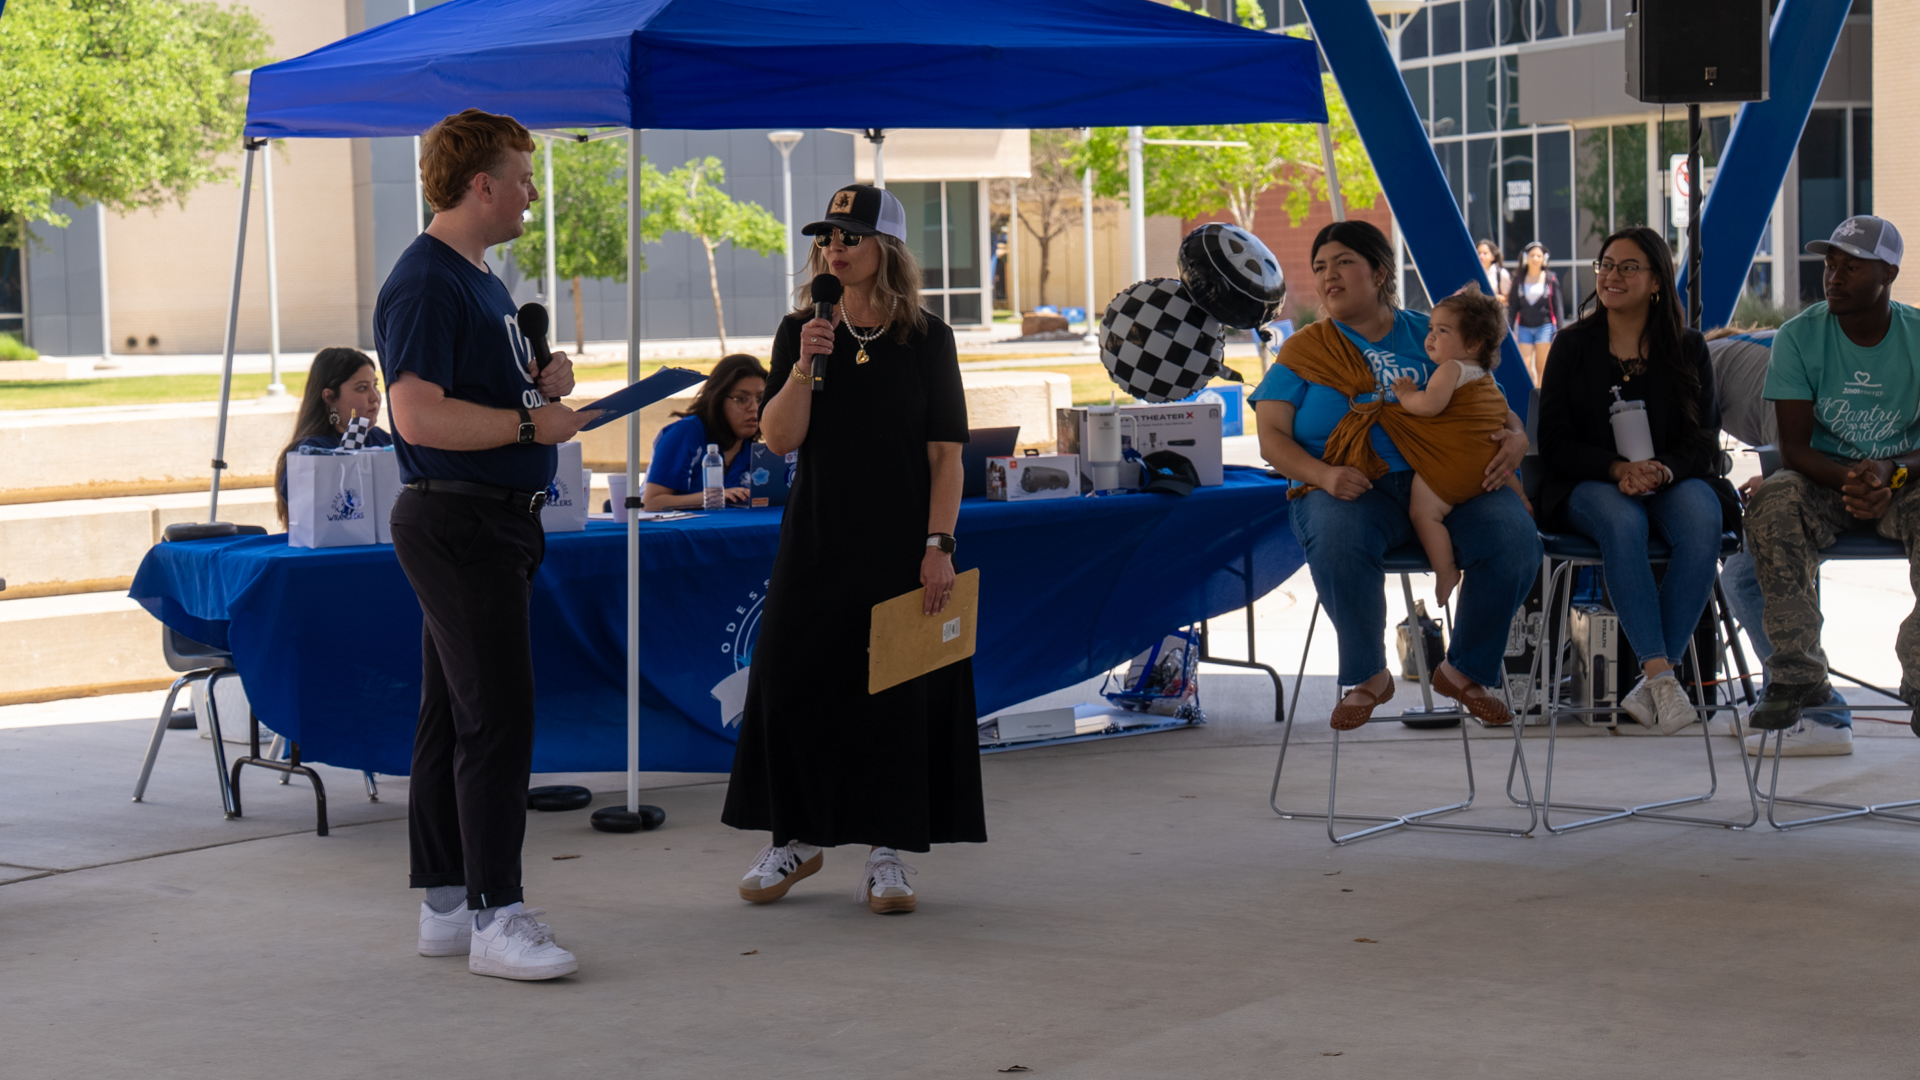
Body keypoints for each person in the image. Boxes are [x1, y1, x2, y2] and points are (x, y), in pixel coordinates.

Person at [377, 109, 597, 981]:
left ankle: (445, 904)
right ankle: (495, 915)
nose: (531, 192)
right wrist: (524, 419)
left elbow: (478, 398)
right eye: (522, 177)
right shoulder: (429, 281)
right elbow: (418, 412)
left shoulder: (480, 280)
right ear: (482, 186)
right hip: (460, 520)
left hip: (485, 517)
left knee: (453, 715)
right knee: (497, 717)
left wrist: (540, 385)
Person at [721, 184, 980, 914]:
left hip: (902, 543)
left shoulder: (928, 338)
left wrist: (939, 545)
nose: (835, 248)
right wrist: (804, 363)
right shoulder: (801, 329)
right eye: (827, 237)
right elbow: (777, 438)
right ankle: (796, 838)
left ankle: (887, 851)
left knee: (895, 690)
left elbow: (946, 457)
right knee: (793, 680)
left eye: (851, 236)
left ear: (886, 250)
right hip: (816, 537)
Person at [1252, 220, 1539, 730]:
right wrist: (1323, 475)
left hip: (1447, 483)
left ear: (1380, 271)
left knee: (1515, 537)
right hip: (1350, 488)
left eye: (1343, 262)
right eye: (1320, 267)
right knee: (1338, 536)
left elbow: (1484, 398)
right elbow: (1271, 436)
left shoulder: (1431, 332)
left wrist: (1517, 437)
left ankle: (1464, 669)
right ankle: (1369, 676)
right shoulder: (1306, 349)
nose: (1328, 276)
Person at [1536, 226, 1737, 735]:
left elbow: (1703, 439)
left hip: (1671, 478)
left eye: (1628, 267)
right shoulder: (1571, 345)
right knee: (1622, 520)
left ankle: (1654, 684)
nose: (1611, 275)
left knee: (1701, 515)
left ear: (1655, 282)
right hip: (1589, 483)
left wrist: (1662, 468)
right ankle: (1662, 676)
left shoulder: (1688, 348)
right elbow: (1555, 442)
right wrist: (1617, 469)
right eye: (1605, 265)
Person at [1746, 215, 1920, 743]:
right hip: (1824, 481)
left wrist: (1892, 474)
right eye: (1829, 265)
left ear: (1888, 272)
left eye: (1851, 266)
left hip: (1905, 482)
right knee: (1773, 499)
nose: (1834, 277)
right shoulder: (1800, 336)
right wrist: (1856, 479)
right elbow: (1794, 448)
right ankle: (1799, 675)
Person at [1702, 326, 1854, 753]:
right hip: (1845, 462)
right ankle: (1786, 702)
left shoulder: (1700, 366)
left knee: (1742, 578)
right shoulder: (1746, 351)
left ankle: (1818, 710)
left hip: (1831, 482)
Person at [1389, 284, 1525, 606]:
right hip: (1490, 466)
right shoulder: (1485, 375)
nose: (1430, 337)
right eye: (1431, 329)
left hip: (1452, 472)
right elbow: (1504, 415)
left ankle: (1446, 570)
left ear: (1473, 342)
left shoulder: (1450, 369)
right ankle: (1523, 501)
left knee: (1423, 513)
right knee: (1497, 458)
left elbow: (1430, 406)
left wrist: (1407, 394)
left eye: (1443, 331)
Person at [272, 347, 393, 526]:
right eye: (362, 388)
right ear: (329, 397)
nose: (374, 397)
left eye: (375, 386)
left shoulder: (381, 439)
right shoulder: (308, 450)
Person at [642, 353, 768, 510]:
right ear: (718, 399)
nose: (754, 408)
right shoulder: (686, 433)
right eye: (742, 399)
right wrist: (715, 496)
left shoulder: (755, 450)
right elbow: (651, 503)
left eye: (760, 399)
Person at [1508, 241, 1562, 386]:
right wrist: (1509, 328)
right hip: (1524, 327)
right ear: (1526, 257)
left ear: (1544, 259)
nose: (1535, 259)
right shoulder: (1518, 279)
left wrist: (1560, 331)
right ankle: (1530, 394)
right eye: (1532, 255)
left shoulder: (1550, 278)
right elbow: (1513, 306)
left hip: (1545, 326)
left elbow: (1558, 306)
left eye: (1539, 256)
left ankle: (1540, 396)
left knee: (1542, 367)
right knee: (1525, 366)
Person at [1478, 239, 1512, 313]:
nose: (1481, 256)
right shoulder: (1473, 273)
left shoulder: (1501, 273)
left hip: (1495, 316)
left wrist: (1492, 297)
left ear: (1493, 256)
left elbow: (1508, 300)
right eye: (1478, 253)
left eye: (1485, 253)